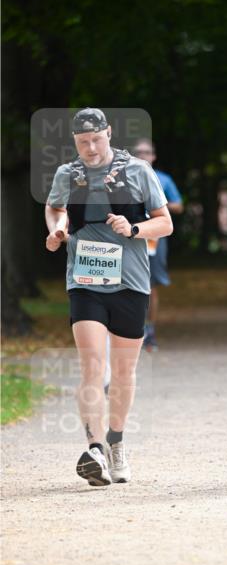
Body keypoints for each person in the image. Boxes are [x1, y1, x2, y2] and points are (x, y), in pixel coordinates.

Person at [45, 108, 172, 486]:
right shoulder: (68, 174)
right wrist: (58, 229)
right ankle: (95, 448)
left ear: (109, 133)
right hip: (84, 280)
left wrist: (133, 228)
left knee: (123, 372)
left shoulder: (137, 171)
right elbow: (54, 208)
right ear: (74, 142)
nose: (91, 148)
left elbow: (165, 222)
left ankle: (116, 441)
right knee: (90, 364)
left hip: (131, 282)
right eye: (83, 142)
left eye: (96, 139)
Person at [132, 139, 184, 351]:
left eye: (147, 152)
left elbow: (179, 206)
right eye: (139, 152)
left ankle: (149, 330)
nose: (144, 155)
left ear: (154, 156)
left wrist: (156, 205)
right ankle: (129, 329)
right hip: (127, 236)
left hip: (154, 238)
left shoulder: (163, 179)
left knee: (150, 286)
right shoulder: (120, 178)